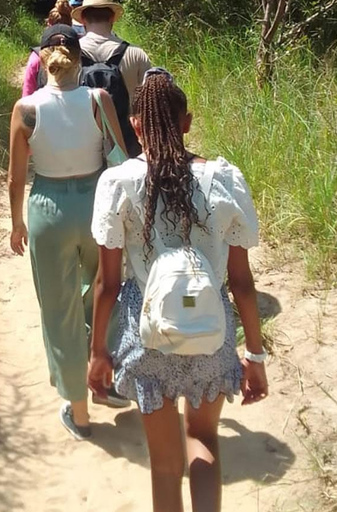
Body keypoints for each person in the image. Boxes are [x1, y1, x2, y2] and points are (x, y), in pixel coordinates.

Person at [88, 69, 269, 512]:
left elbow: (107, 283)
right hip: (212, 328)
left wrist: (97, 351)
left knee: (165, 465)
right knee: (204, 440)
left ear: (135, 126)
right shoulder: (223, 180)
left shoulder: (118, 183)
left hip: (148, 332)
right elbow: (243, 283)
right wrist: (256, 356)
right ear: (187, 122)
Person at [8, 24, 129, 441]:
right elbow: (121, 158)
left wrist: (16, 223)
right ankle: (104, 380)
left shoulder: (27, 109)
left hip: (49, 210)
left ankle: (78, 412)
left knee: (58, 311)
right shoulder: (99, 99)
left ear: (42, 59)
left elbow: (16, 177)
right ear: (81, 58)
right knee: (105, 292)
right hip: (97, 204)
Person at [72, 0, 152, 157]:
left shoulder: (70, 55)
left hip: (82, 144)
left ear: (82, 20)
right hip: (127, 143)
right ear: (111, 18)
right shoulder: (136, 54)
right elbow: (148, 104)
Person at [22, 0, 75, 97]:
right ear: (71, 26)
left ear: (48, 26)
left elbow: (27, 94)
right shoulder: (77, 56)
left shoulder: (36, 57)